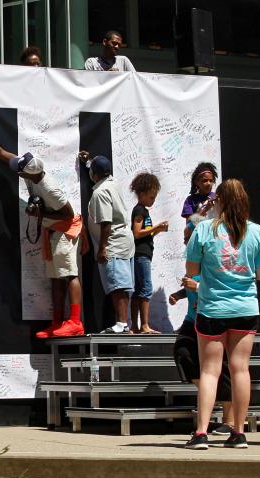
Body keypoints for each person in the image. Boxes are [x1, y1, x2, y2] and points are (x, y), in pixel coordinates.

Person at [0, 130, 84, 337]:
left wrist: (41, 212)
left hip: (65, 230)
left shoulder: (50, 189)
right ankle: (57, 323)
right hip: (52, 230)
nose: (17, 172)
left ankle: (76, 322)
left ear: (30, 173)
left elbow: (68, 214)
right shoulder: (29, 169)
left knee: (69, 275)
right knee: (55, 278)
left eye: (20, 171)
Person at [183, 179, 260, 449]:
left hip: (212, 309)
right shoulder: (256, 232)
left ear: (218, 200)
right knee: (240, 369)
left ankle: (201, 433)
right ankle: (239, 432)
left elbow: (191, 271)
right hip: (245, 309)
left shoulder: (203, 231)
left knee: (210, 371)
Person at [169, 276, 236, 434]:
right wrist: (179, 295)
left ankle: (230, 421)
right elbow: (191, 287)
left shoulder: (213, 261)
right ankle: (208, 393)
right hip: (192, 320)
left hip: (215, 317)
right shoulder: (192, 265)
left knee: (224, 366)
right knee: (182, 352)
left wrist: (201, 292)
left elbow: (224, 287)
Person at [79, 152, 134, 334]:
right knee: (121, 283)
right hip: (123, 241)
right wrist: (88, 162)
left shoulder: (101, 192)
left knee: (118, 285)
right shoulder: (113, 183)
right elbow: (99, 171)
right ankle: (123, 323)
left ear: (95, 174)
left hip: (112, 243)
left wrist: (102, 249)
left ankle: (121, 324)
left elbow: (105, 223)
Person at [129, 173, 169, 334]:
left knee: (139, 290)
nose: (153, 200)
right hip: (141, 255)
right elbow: (137, 233)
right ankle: (144, 325)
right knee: (145, 288)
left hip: (143, 253)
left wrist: (156, 230)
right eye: (151, 197)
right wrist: (155, 227)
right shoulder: (140, 210)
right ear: (143, 194)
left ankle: (135, 326)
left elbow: (145, 235)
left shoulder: (143, 210)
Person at [182, 163, 218, 243]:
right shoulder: (190, 200)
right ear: (196, 182)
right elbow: (189, 224)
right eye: (204, 180)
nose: (208, 183)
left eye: (211, 180)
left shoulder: (217, 198)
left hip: (214, 240)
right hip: (197, 241)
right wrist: (205, 209)